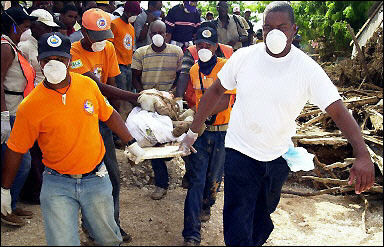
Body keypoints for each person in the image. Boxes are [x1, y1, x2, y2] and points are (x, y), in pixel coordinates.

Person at [179, 1, 375, 246]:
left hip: (276, 158)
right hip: (240, 151)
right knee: (238, 223)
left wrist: (362, 154)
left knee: (261, 221)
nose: (274, 33)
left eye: (281, 27)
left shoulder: (307, 70)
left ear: (294, 29)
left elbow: (338, 110)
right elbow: (216, 90)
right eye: (268, 27)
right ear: (261, 31)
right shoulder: (244, 57)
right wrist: (193, 131)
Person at [1, 32, 145, 245]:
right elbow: (16, 149)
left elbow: (109, 114)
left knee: (109, 240)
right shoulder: (30, 106)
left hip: (95, 178)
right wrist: (5, 190)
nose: (54, 65)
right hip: (57, 183)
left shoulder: (87, 85)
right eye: (47, 60)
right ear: (39, 62)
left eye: (60, 59)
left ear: (69, 60)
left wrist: (131, 143)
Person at [69, 8, 131, 242]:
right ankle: (91, 225)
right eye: (96, 36)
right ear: (83, 31)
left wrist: (117, 125)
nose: (100, 42)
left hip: (103, 120)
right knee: (88, 176)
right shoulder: (72, 52)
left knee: (112, 175)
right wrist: (134, 97)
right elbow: (98, 87)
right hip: (81, 122)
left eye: (104, 35)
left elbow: (112, 83)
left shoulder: (109, 47)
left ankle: (113, 223)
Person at [181, 26, 236, 246]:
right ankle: (191, 233)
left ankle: (207, 204)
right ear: (195, 47)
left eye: (208, 45)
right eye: (200, 45)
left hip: (222, 132)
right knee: (196, 180)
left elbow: (224, 101)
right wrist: (194, 119)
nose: (204, 49)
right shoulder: (194, 70)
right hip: (201, 135)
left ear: (216, 47)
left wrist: (199, 116)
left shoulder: (226, 68)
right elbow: (194, 98)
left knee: (214, 180)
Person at [131, 20, 183, 200]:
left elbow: (180, 77)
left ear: (167, 33)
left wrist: (173, 93)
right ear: (150, 34)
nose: (158, 36)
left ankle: (190, 176)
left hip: (169, 101)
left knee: (181, 135)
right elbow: (135, 78)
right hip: (148, 102)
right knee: (153, 140)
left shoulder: (176, 52)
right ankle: (161, 184)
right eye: (154, 33)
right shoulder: (140, 53)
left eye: (162, 32)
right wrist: (144, 94)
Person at [17, 8, 59, 205]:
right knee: (33, 149)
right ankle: (33, 191)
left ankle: (41, 187)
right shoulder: (24, 46)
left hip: (48, 97)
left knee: (44, 146)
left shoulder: (46, 44)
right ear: (36, 25)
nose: (47, 31)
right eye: (45, 27)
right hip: (32, 98)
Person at [1, 6, 37, 227]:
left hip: (19, 111)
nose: (27, 30)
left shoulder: (12, 46)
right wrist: (3, 114)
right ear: (13, 25)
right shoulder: (5, 47)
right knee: (20, 163)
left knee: (19, 162)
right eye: (24, 26)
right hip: (11, 111)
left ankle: (11, 204)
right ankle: (6, 208)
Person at [109, 1, 141, 92]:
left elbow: (131, 47)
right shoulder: (115, 24)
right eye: (134, 14)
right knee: (121, 92)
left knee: (128, 91)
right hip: (118, 65)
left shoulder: (131, 27)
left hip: (128, 65)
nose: (135, 16)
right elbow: (109, 45)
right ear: (127, 12)